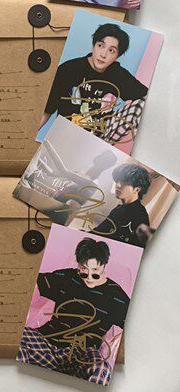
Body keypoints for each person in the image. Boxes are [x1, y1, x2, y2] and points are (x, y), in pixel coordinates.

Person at [18, 237, 129, 385]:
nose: (89, 277)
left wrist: (120, 338)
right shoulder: (67, 277)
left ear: (104, 266)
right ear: (78, 264)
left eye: (95, 271)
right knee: (16, 340)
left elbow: (139, 321)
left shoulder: (116, 296)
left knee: (101, 371)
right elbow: (34, 282)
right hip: (47, 342)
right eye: (83, 270)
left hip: (82, 354)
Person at [39, 22, 148, 141]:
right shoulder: (68, 69)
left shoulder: (118, 74)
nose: (103, 54)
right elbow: (47, 110)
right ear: (93, 45)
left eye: (111, 50)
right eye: (101, 45)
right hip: (66, 135)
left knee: (142, 104)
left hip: (98, 140)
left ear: (117, 56)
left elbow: (145, 99)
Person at [92, 163, 152, 247]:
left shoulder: (140, 216)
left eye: (125, 182)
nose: (118, 185)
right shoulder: (118, 209)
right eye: (117, 180)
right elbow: (99, 231)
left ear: (137, 190)